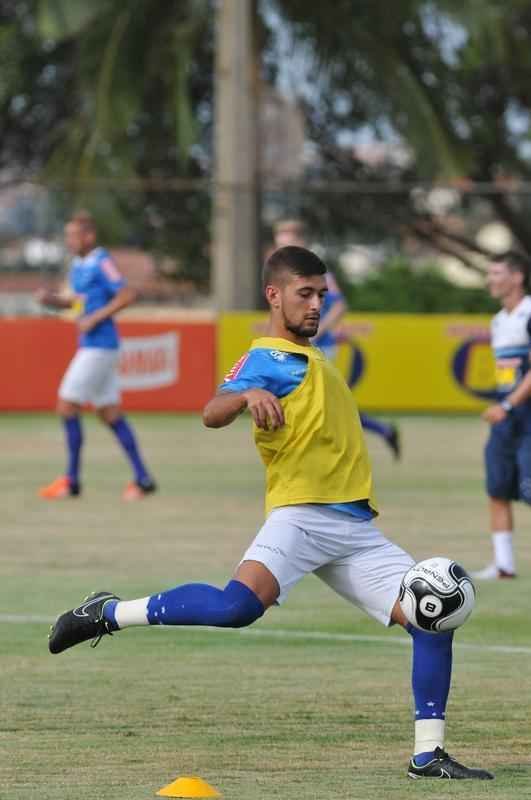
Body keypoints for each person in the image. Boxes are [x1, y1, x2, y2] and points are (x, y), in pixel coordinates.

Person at [48, 246, 492, 781]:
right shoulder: (266, 358)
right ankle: (108, 612)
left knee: (431, 617)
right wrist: (247, 395)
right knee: (235, 608)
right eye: (305, 294)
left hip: (355, 529)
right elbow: (212, 411)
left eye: (321, 294)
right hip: (300, 516)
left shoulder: (314, 356)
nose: (316, 305)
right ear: (274, 295)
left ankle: (428, 755)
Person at [36, 211, 156, 501]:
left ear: (89, 237)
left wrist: (96, 318)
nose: (69, 241)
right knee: (109, 413)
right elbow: (78, 303)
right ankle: (143, 479)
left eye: (74, 235)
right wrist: (52, 300)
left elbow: (127, 295)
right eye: (67, 235)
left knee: (66, 406)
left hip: (99, 346)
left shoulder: (101, 261)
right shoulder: (79, 265)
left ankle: (71, 481)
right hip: (95, 346)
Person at [272, 219, 400, 459]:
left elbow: (340, 306)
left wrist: (317, 331)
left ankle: (317, 453)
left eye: (290, 245)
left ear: (302, 244)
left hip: (318, 348)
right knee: (326, 405)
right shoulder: (282, 276)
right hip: (293, 347)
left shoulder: (316, 274)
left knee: (309, 402)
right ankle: (382, 431)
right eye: (281, 246)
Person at [473, 251, 531, 580]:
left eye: (496, 273)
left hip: (525, 417)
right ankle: (504, 565)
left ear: (517, 276)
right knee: (497, 488)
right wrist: (504, 407)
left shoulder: (529, 313)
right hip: (506, 421)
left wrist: (508, 405)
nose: (490, 280)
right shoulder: (498, 320)